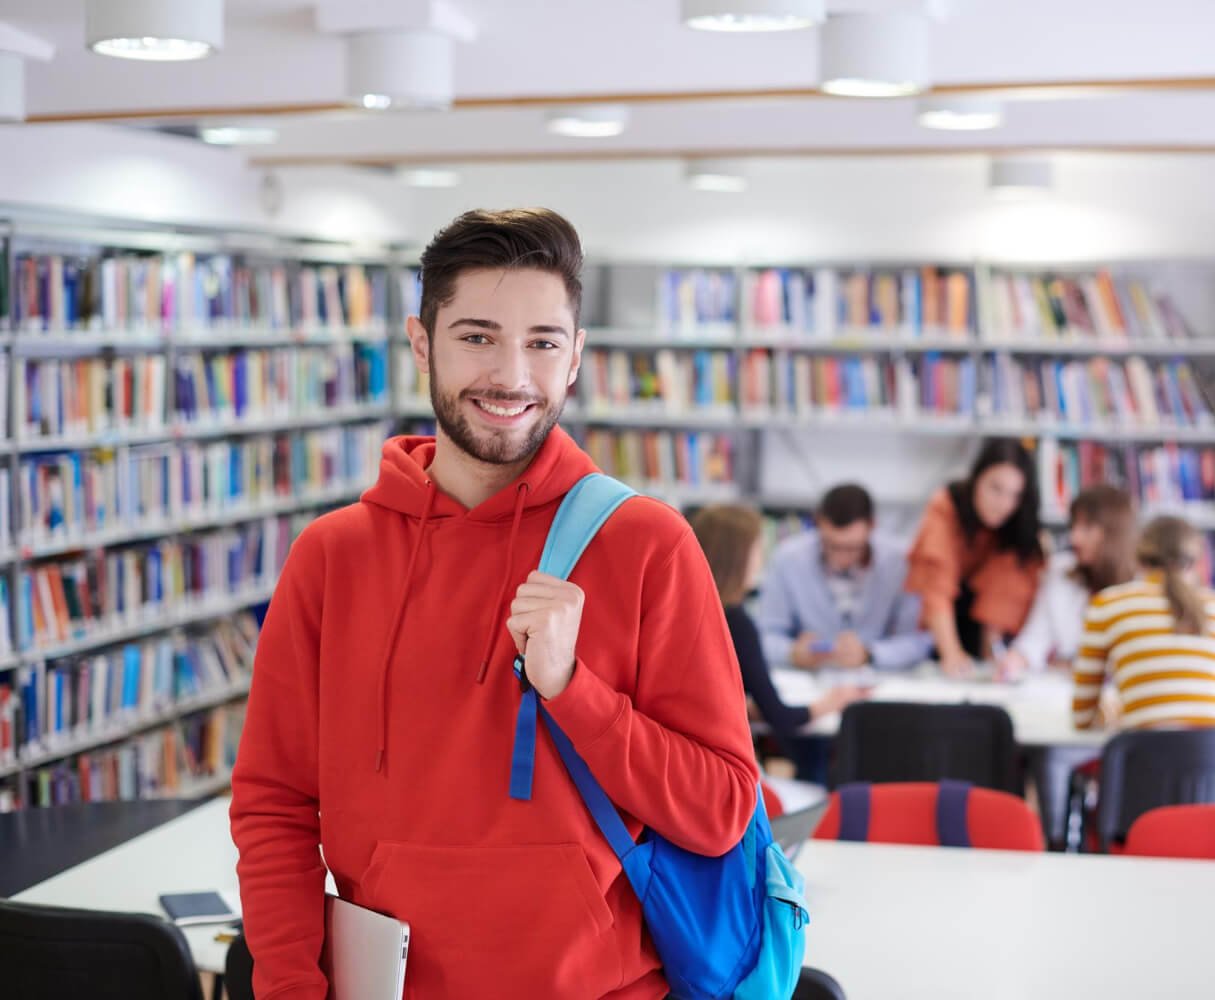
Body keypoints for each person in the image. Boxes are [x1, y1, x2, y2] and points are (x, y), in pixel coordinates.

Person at [229, 208, 759, 1000]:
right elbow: (275, 805)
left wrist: (575, 692)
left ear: (575, 357)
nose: (511, 375)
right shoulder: (331, 557)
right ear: (421, 344)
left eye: (542, 342)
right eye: (477, 336)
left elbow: (720, 808)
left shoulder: (648, 544)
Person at [690, 503, 865, 782]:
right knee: (816, 771)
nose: (762, 560)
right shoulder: (735, 622)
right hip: (718, 771)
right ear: (736, 558)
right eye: (758, 551)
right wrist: (832, 702)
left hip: (692, 762)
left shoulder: (690, 610)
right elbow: (780, 717)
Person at [1073, 515, 1215, 731]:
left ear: (1137, 558)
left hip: (1144, 759)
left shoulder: (1106, 605)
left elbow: (1082, 717)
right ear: (1197, 562)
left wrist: (1116, 710)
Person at [905, 437, 1046, 677]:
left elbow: (1004, 597)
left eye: (1015, 494)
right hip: (942, 620)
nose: (1004, 504)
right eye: (996, 488)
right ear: (976, 478)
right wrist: (951, 653)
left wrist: (994, 658)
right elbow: (936, 587)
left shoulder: (1021, 524)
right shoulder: (946, 506)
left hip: (992, 627)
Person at [757, 483, 930, 672]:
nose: (841, 558)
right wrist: (791, 652)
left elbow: (920, 640)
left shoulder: (901, 560)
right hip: (808, 680)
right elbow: (764, 636)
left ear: (872, 527)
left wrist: (870, 654)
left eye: (852, 548)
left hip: (880, 681)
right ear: (818, 524)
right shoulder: (788, 558)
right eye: (831, 545)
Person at [996, 484, 1137, 682]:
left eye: (1087, 528)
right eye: (1073, 526)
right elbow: (1034, 640)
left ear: (1114, 533)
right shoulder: (1060, 573)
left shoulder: (1142, 586)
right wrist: (1014, 660)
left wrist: (1073, 664)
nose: (1074, 537)